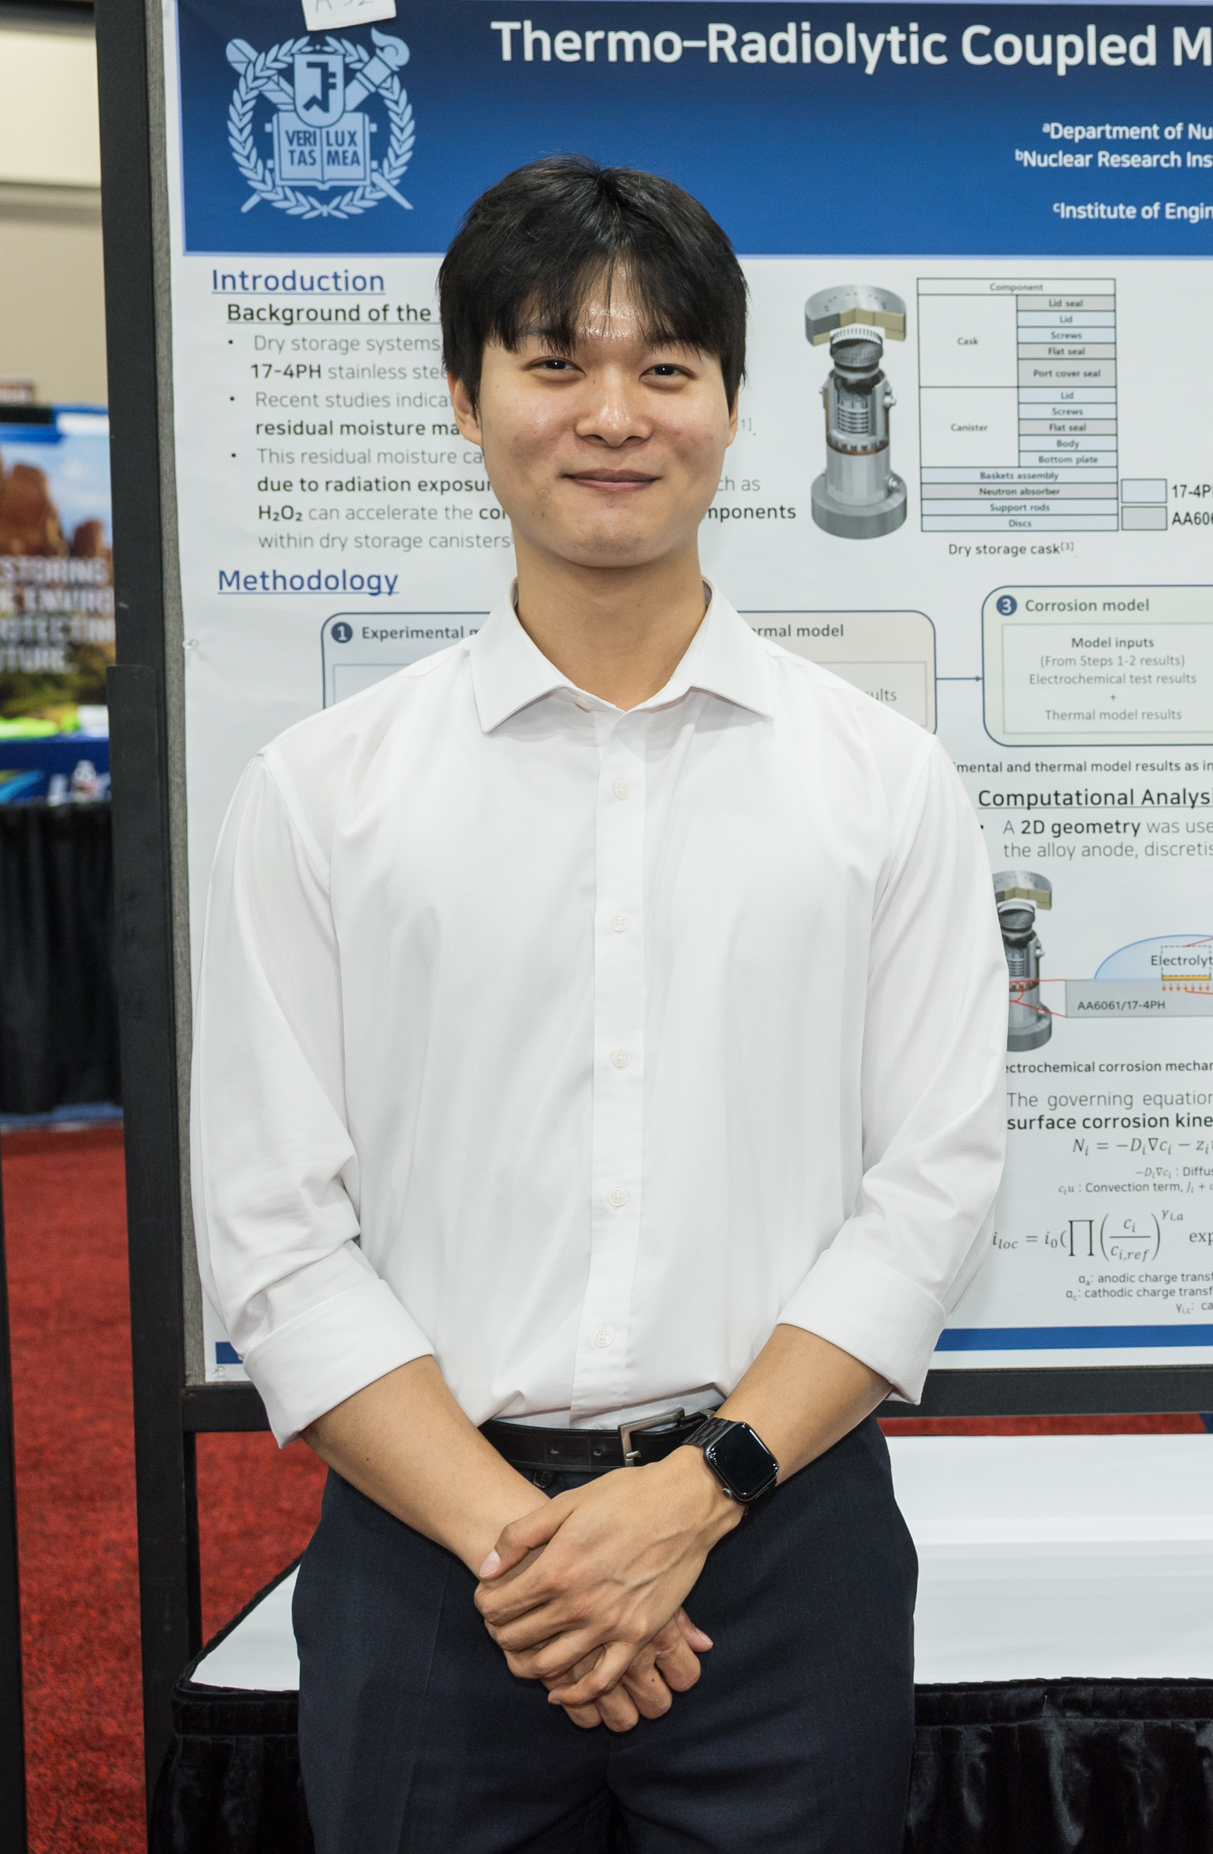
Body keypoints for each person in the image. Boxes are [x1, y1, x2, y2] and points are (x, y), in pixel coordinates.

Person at [191, 157, 1011, 1852]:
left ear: (734, 405)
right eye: (555, 363)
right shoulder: (323, 793)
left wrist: (693, 1499)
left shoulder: (882, 783)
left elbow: (931, 1193)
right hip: (434, 1563)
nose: (614, 416)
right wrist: (535, 1552)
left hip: (781, 1548)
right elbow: (273, 1232)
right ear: (465, 397)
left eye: (666, 368)